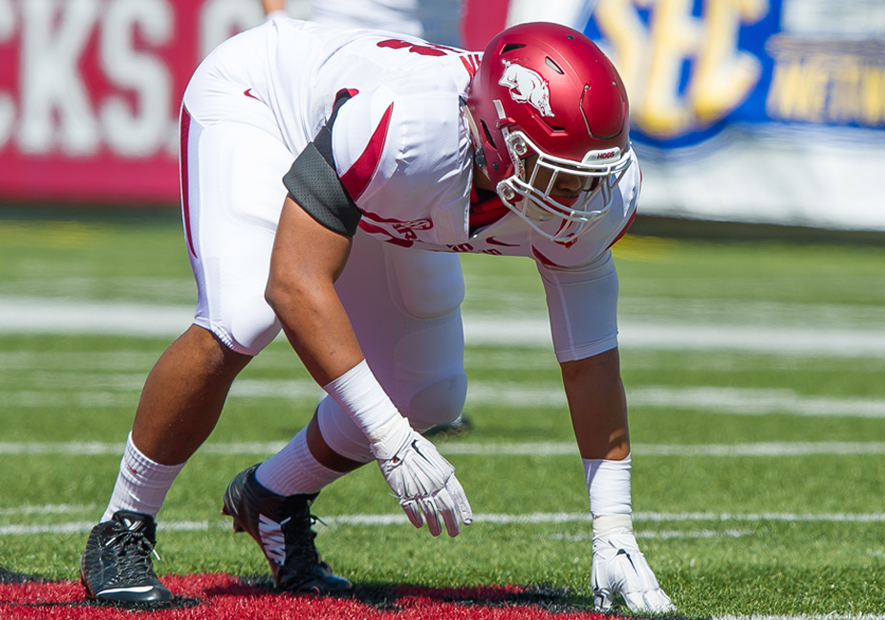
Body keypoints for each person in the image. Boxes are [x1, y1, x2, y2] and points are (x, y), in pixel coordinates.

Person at [77, 16, 675, 614]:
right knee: (244, 317)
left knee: (429, 391)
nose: (577, 198)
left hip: (370, 179)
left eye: (590, 175)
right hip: (267, 108)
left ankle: (273, 497)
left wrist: (614, 528)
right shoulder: (409, 132)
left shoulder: (597, 195)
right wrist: (389, 439)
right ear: (496, 140)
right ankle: (121, 527)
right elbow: (294, 282)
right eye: (556, 176)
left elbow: (590, 357)